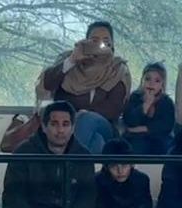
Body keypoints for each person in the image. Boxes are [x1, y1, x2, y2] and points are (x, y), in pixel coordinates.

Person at [38, 20, 130, 154]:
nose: (100, 45)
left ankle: (66, 163)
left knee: (87, 120)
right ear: (85, 41)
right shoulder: (69, 60)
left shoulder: (117, 69)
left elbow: (114, 108)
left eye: (106, 41)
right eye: (95, 40)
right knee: (97, 142)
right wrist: (72, 61)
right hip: (65, 125)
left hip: (103, 125)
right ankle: (77, 166)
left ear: (112, 45)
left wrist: (83, 114)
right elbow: (48, 84)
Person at [2, 101, 97, 208]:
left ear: (73, 128)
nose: (60, 130)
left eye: (65, 124)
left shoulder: (83, 156)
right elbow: (13, 196)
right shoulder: (23, 153)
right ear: (44, 127)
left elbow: (87, 198)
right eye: (54, 124)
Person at [121, 62, 176, 155]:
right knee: (137, 146)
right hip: (136, 138)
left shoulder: (167, 102)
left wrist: (143, 128)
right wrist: (145, 105)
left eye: (157, 81)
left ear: (162, 84)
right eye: (147, 79)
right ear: (142, 80)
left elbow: (166, 125)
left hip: (160, 138)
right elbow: (129, 120)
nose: (151, 83)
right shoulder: (135, 97)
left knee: (164, 146)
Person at [94, 138, 153, 208]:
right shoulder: (97, 182)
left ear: (132, 164)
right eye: (113, 166)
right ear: (106, 167)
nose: (120, 171)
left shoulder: (141, 180)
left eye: (124, 165)